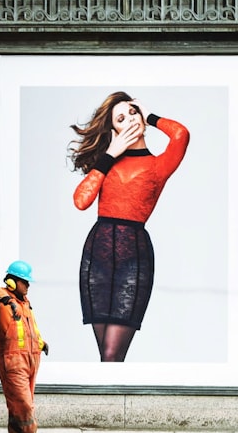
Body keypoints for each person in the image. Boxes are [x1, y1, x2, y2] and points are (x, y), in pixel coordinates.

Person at [69, 92, 190, 362]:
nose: (131, 120)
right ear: (114, 130)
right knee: (105, 355)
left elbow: (181, 134)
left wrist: (150, 116)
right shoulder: (106, 163)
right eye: (121, 119)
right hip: (96, 258)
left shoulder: (159, 165)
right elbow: (81, 201)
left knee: (113, 353)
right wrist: (111, 153)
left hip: (133, 259)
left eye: (133, 113)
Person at [0, 260, 48, 433]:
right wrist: (7, 298)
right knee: (24, 406)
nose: (28, 286)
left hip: (31, 360)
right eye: (25, 282)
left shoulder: (25, 303)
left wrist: (41, 343)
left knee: (18, 407)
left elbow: (31, 329)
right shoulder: (4, 300)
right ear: (13, 282)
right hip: (13, 362)